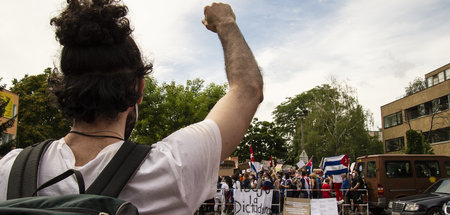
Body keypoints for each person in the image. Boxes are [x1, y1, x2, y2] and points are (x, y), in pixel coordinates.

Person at [0, 1, 263, 215]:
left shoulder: (9, 168)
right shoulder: (170, 168)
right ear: (139, 89)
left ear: (64, 89)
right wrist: (226, 23)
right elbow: (247, 90)